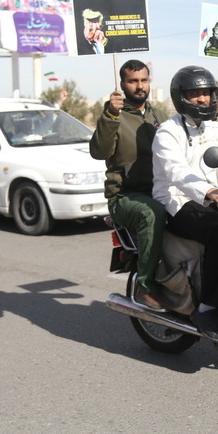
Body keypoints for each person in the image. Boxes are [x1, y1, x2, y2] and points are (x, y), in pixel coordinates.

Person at [152, 66, 218, 343]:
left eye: (206, 94)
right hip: (176, 201)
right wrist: (209, 190)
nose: (201, 100)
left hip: (210, 197)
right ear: (180, 97)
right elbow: (176, 172)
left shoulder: (215, 128)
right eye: (194, 94)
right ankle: (208, 306)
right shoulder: (168, 132)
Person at [89, 59, 170, 310]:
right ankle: (145, 286)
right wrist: (111, 114)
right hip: (125, 196)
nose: (139, 86)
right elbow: (98, 151)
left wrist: (213, 113)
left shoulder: (158, 115)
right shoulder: (114, 116)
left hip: (159, 190)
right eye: (133, 81)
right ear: (122, 84)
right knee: (151, 213)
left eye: (143, 80)